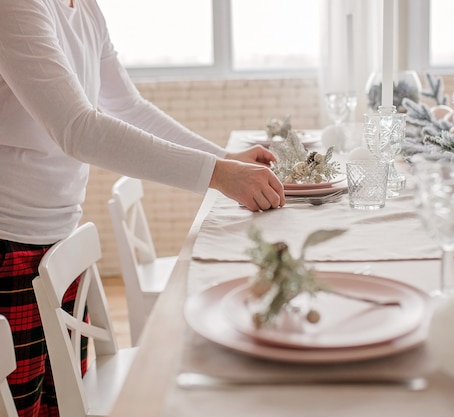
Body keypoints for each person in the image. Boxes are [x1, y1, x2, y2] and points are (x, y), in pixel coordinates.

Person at [0, 0, 285, 415]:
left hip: (58, 231)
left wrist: (223, 159)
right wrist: (217, 173)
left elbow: (129, 108)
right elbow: (78, 128)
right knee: (19, 405)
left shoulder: (86, 9)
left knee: (63, 401)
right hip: (12, 238)